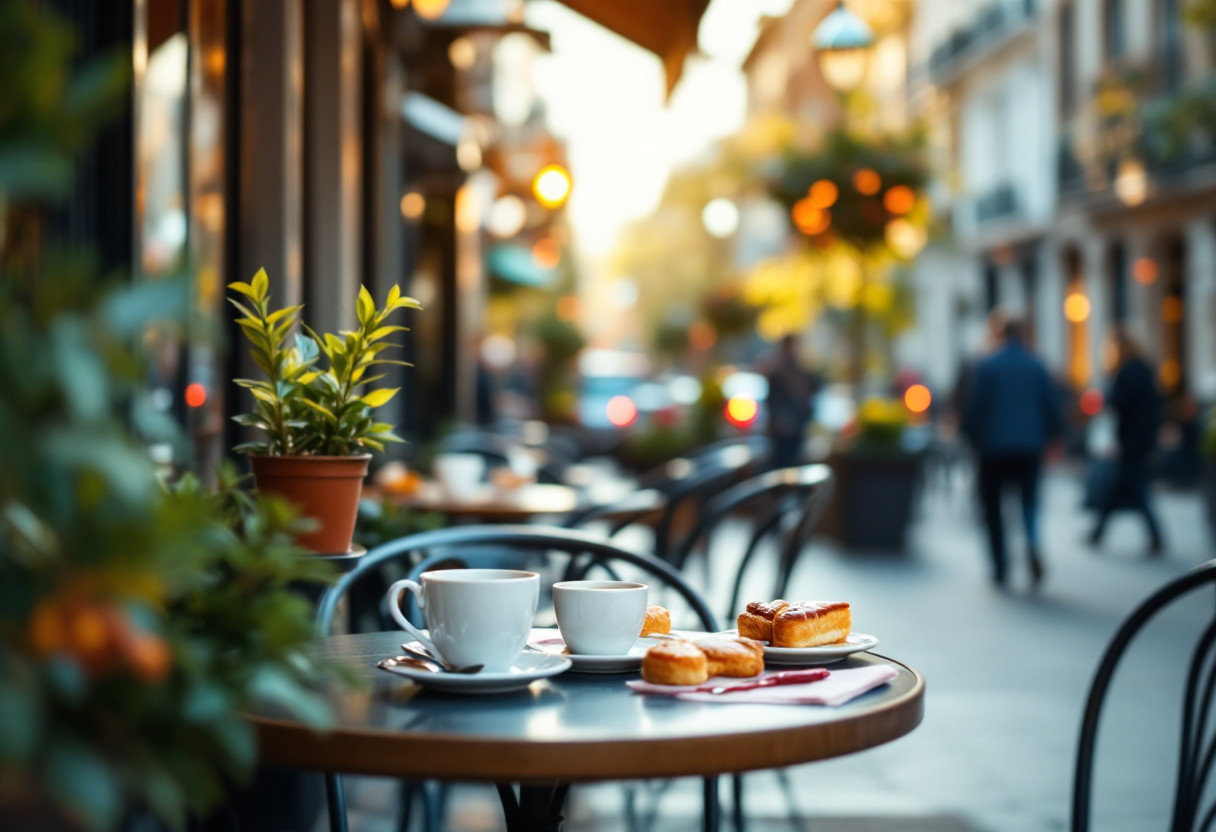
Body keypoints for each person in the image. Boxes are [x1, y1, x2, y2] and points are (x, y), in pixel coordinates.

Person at [963, 317, 1063, 588]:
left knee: (993, 508)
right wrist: (1053, 437)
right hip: (1029, 447)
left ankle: (1000, 565)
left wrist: (971, 438)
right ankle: (1031, 542)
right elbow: (1052, 407)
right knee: (1028, 501)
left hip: (993, 448)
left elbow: (975, 409)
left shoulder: (987, 365)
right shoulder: (1036, 364)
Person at [1087, 326, 1164, 554]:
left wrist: (1103, 397)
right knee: (1124, 485)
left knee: (1134, 487)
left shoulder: (1125, 373)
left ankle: (1154, 535)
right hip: (1143, 437)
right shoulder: (1146, 370)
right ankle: (1098, 531)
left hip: (1130, 439)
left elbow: (1117, 403)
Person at [763, 334, 817, 469]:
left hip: (796, 429)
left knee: (794, 465)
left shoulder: (802, 372)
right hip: (782, 431)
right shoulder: (778, 373)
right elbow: (772, 401)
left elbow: (809, 397)